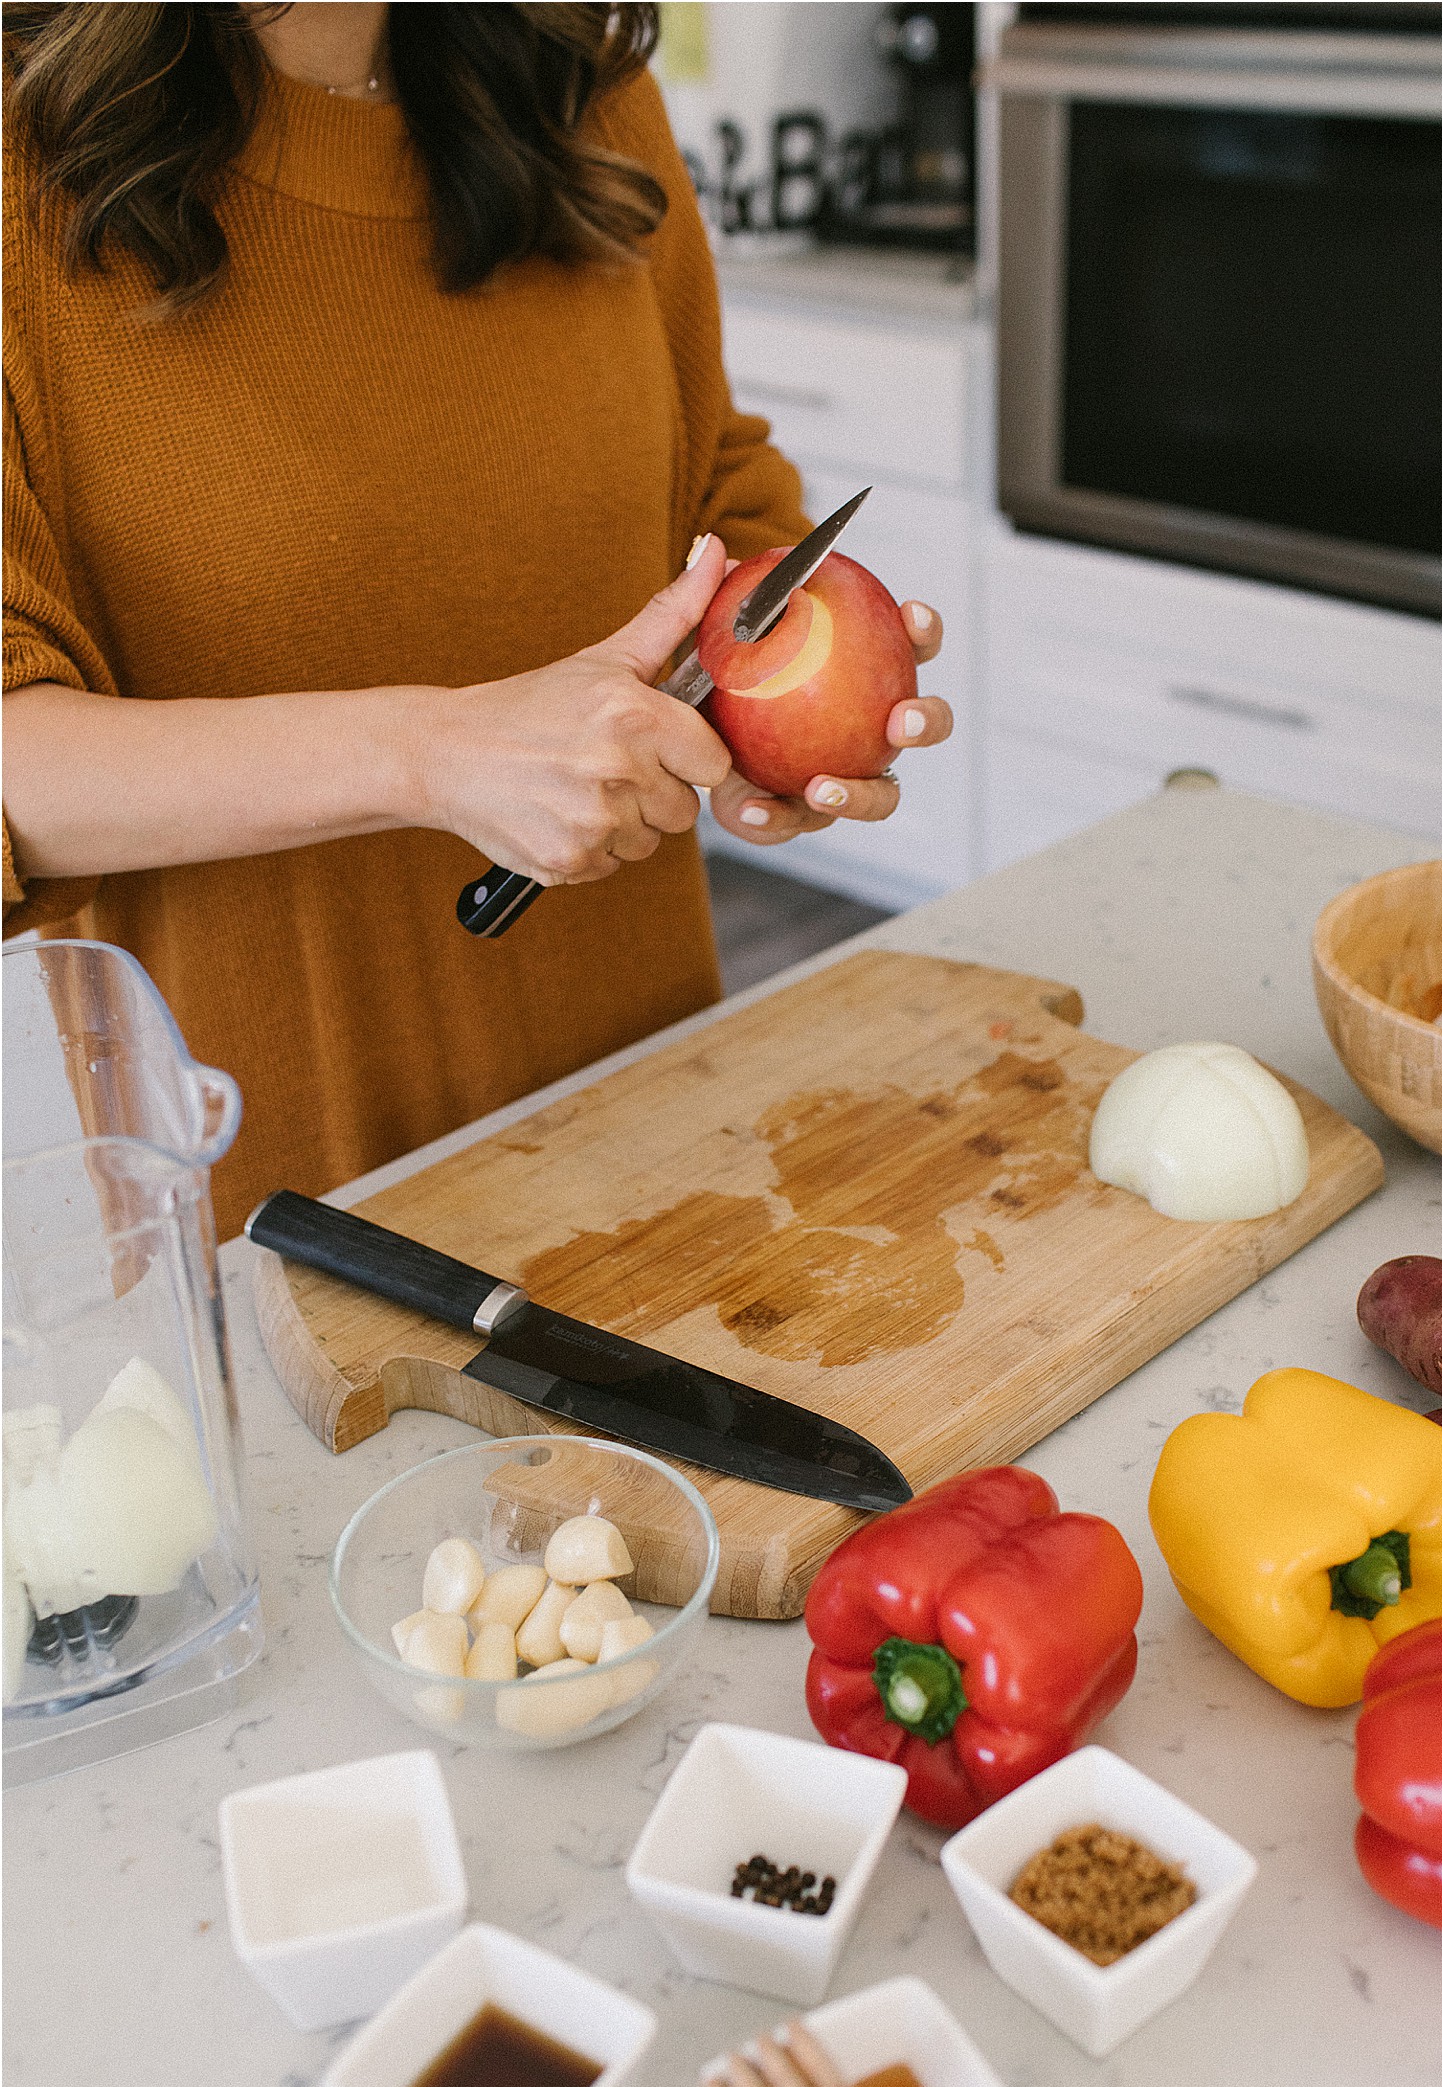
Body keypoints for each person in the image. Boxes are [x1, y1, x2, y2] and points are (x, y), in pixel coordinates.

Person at [2, 2, 951, 1236]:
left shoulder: (584, 98)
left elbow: (706, 478)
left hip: (661, 1130)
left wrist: (773, 680)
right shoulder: (26, 174)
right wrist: (431, 754)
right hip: (297, 1216)